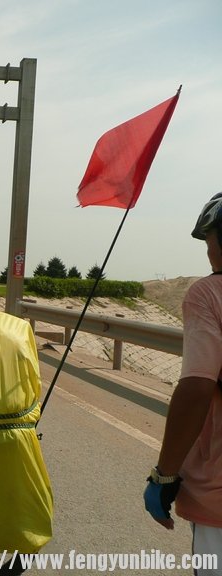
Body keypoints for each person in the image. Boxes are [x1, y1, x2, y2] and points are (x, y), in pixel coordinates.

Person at [145, 192, 222, 574]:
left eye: (209, 241)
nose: (208, 252)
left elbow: (196, 389)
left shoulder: (208, 294)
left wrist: (164, 474)